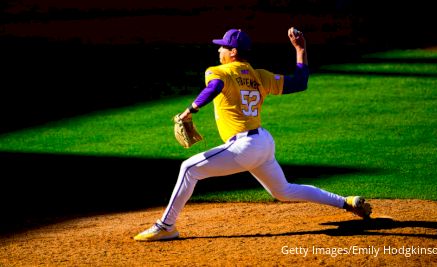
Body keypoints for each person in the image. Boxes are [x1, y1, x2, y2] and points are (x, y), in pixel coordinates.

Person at [134, 27, 372, 242]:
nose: (219, 49)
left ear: (234, 51)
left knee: (188, 168)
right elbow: (300, 82)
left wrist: (191, 109)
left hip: (244, 146)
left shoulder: (219, 71)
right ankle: (347, 202)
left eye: (224, 46)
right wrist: (301, 50)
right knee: (284, 191)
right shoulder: (261, 76)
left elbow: (214, 88)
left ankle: (166, 226)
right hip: (263, 143)